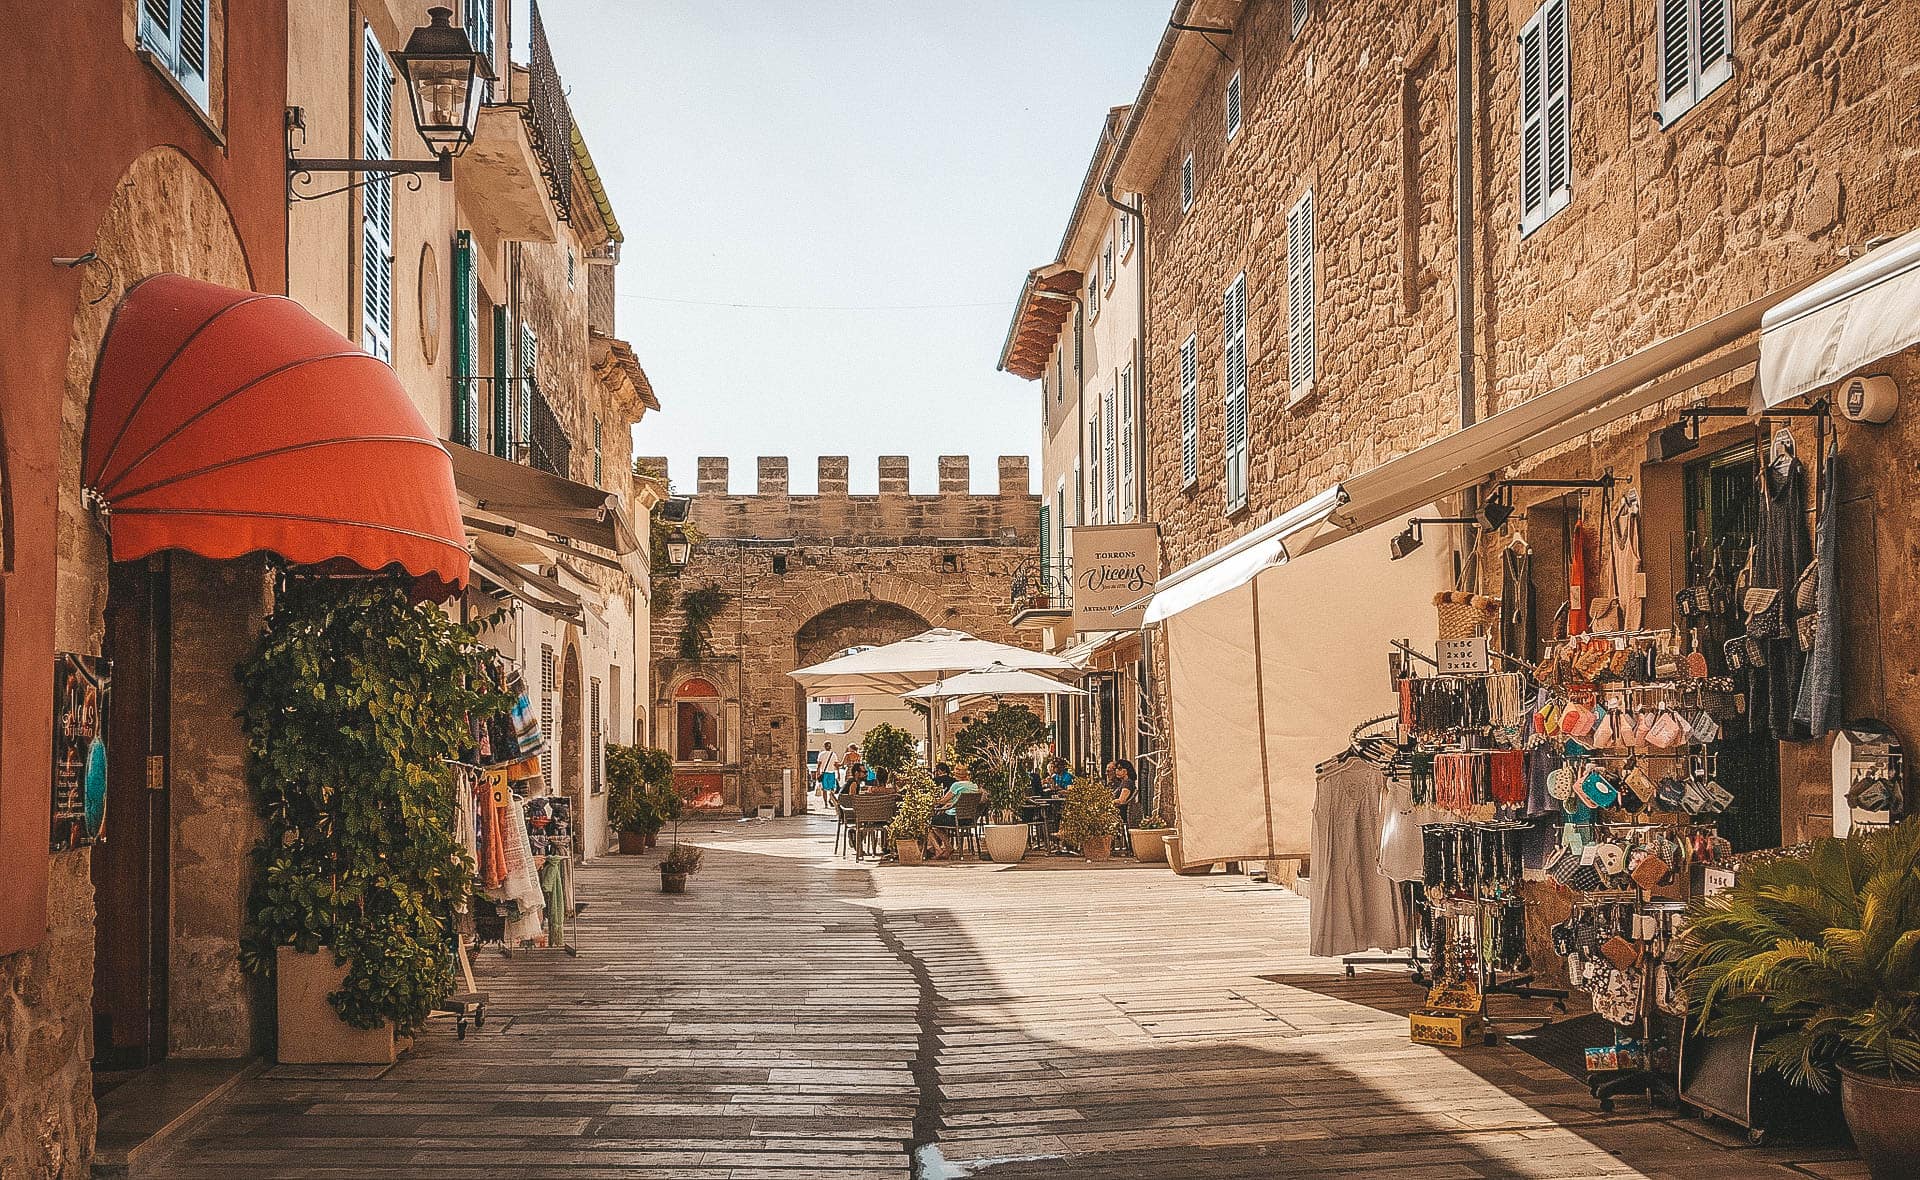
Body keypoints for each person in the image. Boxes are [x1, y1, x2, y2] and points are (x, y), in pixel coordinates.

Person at [928, 763, 982, 860]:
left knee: (931, 823)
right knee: (939, 820)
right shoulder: (974, 786)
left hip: (954, 818)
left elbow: (943, 800)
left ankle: (941, 848)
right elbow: (957, 801)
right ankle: (946, 848)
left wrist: (933, 801)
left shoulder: (956, 785)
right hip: (968, 819)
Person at [1109, 759, 1138, 828]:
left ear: (1126, 770)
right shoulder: (1123, 782)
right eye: (1116, 769)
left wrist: (1108, 803)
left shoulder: (1127, 783)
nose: (1117, 771)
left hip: (1120, 814)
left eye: (1120, 768)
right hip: (1117, 814)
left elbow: (1121, 801)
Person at [818, 741, 840, 806]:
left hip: (824, 773)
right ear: (830, 747)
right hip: (832, 773)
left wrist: (818, 773)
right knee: (832, 788)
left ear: (824, 746)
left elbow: (819, 765)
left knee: (824, 789)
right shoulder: (833, 754)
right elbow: (836, 765)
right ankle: (830, 800)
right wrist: (838, 773)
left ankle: (825, 803)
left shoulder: (821, 754)